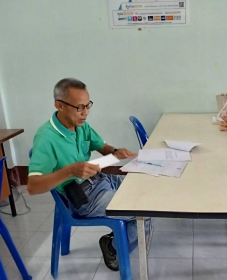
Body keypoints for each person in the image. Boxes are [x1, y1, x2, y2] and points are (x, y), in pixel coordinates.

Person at [27, 78, 146, 272]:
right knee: (147, 212)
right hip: (83, 196)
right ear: (59, 105)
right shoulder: (46, 138)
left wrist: (115, 152)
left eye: (88, 105)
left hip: (101, 179)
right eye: (79, 107)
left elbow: (101, 146)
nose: (86, 112)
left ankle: (115, 239)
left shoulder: (81, 125)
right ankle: (113, 247)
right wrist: (70, 171)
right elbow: (32, 186)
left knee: (148, 193)